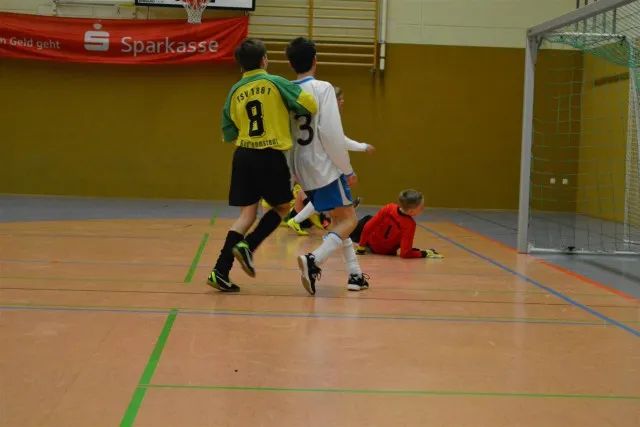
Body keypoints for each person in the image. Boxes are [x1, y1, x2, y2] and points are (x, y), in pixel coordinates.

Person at [207, 38, 318, 292]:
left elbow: (228, 132)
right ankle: (249, 245)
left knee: (246, 216)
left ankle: (220, 271)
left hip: (243, 155)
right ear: (264, 60)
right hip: (269, 155)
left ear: (240, 66)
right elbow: (309, 105)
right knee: (282, 207)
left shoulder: (234, 91)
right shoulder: (275, 82)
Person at [286, 37, 369, 294]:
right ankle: (314, 260)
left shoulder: (286, 91)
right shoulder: (323, 88)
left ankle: (355, 275)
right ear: (315, 59)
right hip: (323, 165)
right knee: (349, 220)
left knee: (337, 219)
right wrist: (347, 169)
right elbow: (332, 134)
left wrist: (291, 170)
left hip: (301, 167)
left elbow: (285, 134)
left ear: (290, 63)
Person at [286, 86, 373, 236]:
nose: (342, 101)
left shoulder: (320, 115)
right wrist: (363, 147)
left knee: (326, 200)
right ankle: (331, 236)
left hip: (316, 162)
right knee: (336, 205)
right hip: (322, 164)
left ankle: (300, 221)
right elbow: (340, 142)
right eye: (339, 99)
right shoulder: (326, 116)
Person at [351, 189, 444, 259]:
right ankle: (348, 216)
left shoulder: (389, 208)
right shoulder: (410, 225)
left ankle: (349, 214)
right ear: (411, 211)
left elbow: (368, 227)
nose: (423, 209)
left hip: (369, 241)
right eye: (421, 207)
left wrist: (361, 247)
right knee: (370, 220)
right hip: (386, 252)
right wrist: (424, 253)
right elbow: (405, 253)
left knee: (367, 219)